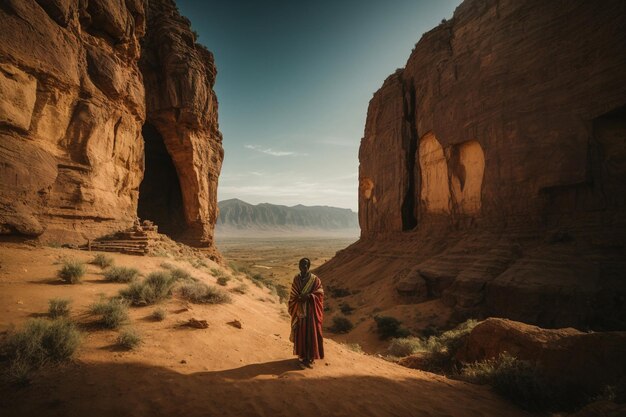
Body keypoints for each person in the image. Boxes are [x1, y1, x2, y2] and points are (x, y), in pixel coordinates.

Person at [288, 257, 324, 368]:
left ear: (308, 266)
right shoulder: (296, 279)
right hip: (299, 311)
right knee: (301, 334)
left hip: (311, 313)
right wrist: (298, 298)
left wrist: (309, 296)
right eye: (301, 265)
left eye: (305, 265)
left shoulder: (315, 279)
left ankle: (310, 358)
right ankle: (302, 357)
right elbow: (293, 294)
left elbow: (320, 293)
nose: (302, 267)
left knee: (311, 334)